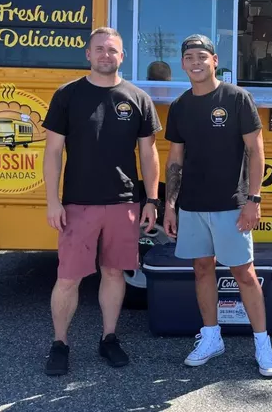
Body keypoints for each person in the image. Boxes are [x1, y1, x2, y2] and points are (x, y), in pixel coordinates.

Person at [41, 26, 163, 376]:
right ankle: (60, 343)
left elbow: (148, 154)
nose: (106, 55)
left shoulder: (138, 98)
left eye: (112, 50)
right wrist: (52, 201)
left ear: (122, 56)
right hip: (78, 204)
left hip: (124, 203)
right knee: (68, 277)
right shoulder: (67, 95)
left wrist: (151, 200)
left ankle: (109, 338)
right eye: (99, 49)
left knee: (114, 272)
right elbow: (52, 152)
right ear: (88, 55)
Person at [162, 34, 272, 377]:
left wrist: (253, 200)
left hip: (232, 204)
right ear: (182, 64)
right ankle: (212, 337)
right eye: (189, 57)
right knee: (202, 269)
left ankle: (262, 344)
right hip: (193, 205)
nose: (195, 62)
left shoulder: (237, 98)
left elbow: (256, 151)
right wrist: (170, 205)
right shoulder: (181, 106)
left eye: (202, 56)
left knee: (244, 273)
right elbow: (175, 159)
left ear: (215, 60)